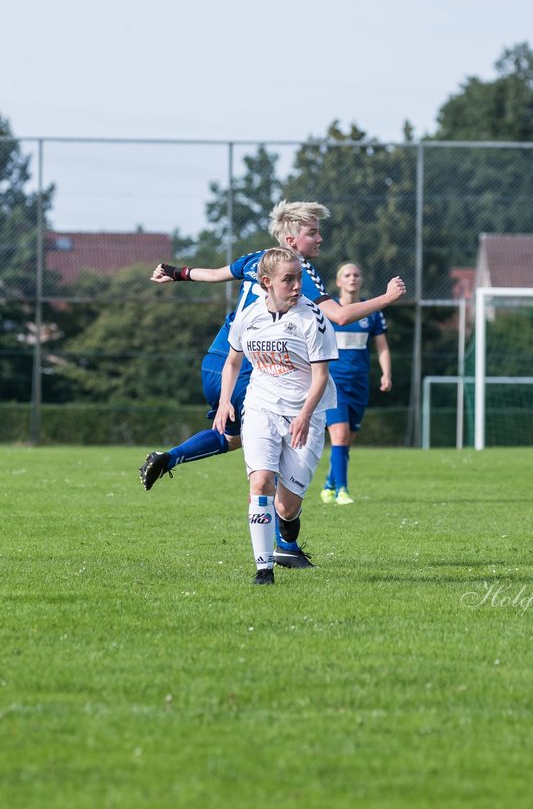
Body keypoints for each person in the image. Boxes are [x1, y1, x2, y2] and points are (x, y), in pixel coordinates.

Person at [139, 200, 406, 508]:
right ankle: (284, 543)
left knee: (233, 439)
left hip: (217, 361)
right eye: (313, 233)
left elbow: (213, 274)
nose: (320, 239)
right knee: (277, 451)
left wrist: (175, 272)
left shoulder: (258, 259)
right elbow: (341, 315)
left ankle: (169, 458)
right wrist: (386, 298)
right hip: (251, 366)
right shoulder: (296, 270)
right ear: (291, 240)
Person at [213, 247, 338, 584]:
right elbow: (233, 361)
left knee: (286, 507)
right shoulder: (249, 316)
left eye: (299, 278)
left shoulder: (312, 319)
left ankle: (287, 529)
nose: (297, 286)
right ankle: (263, 569)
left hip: (306, 416)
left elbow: (321, 376)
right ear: (266, 282)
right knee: (260, 482)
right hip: (261, 408)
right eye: (289, 279)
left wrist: (304, 415)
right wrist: (226, 401)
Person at [319, 262, 391, 505]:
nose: (352, 278)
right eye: (347, 275)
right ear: (338, 282)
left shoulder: (371, 311)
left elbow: (382, 346)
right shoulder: (328, 310)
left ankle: (329, 484)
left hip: (359, 384)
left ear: (361, 280)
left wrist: (386, 373)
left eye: (356, 274)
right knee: (338, 437)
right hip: (333, 383)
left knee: (347, 440)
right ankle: (342, 491)